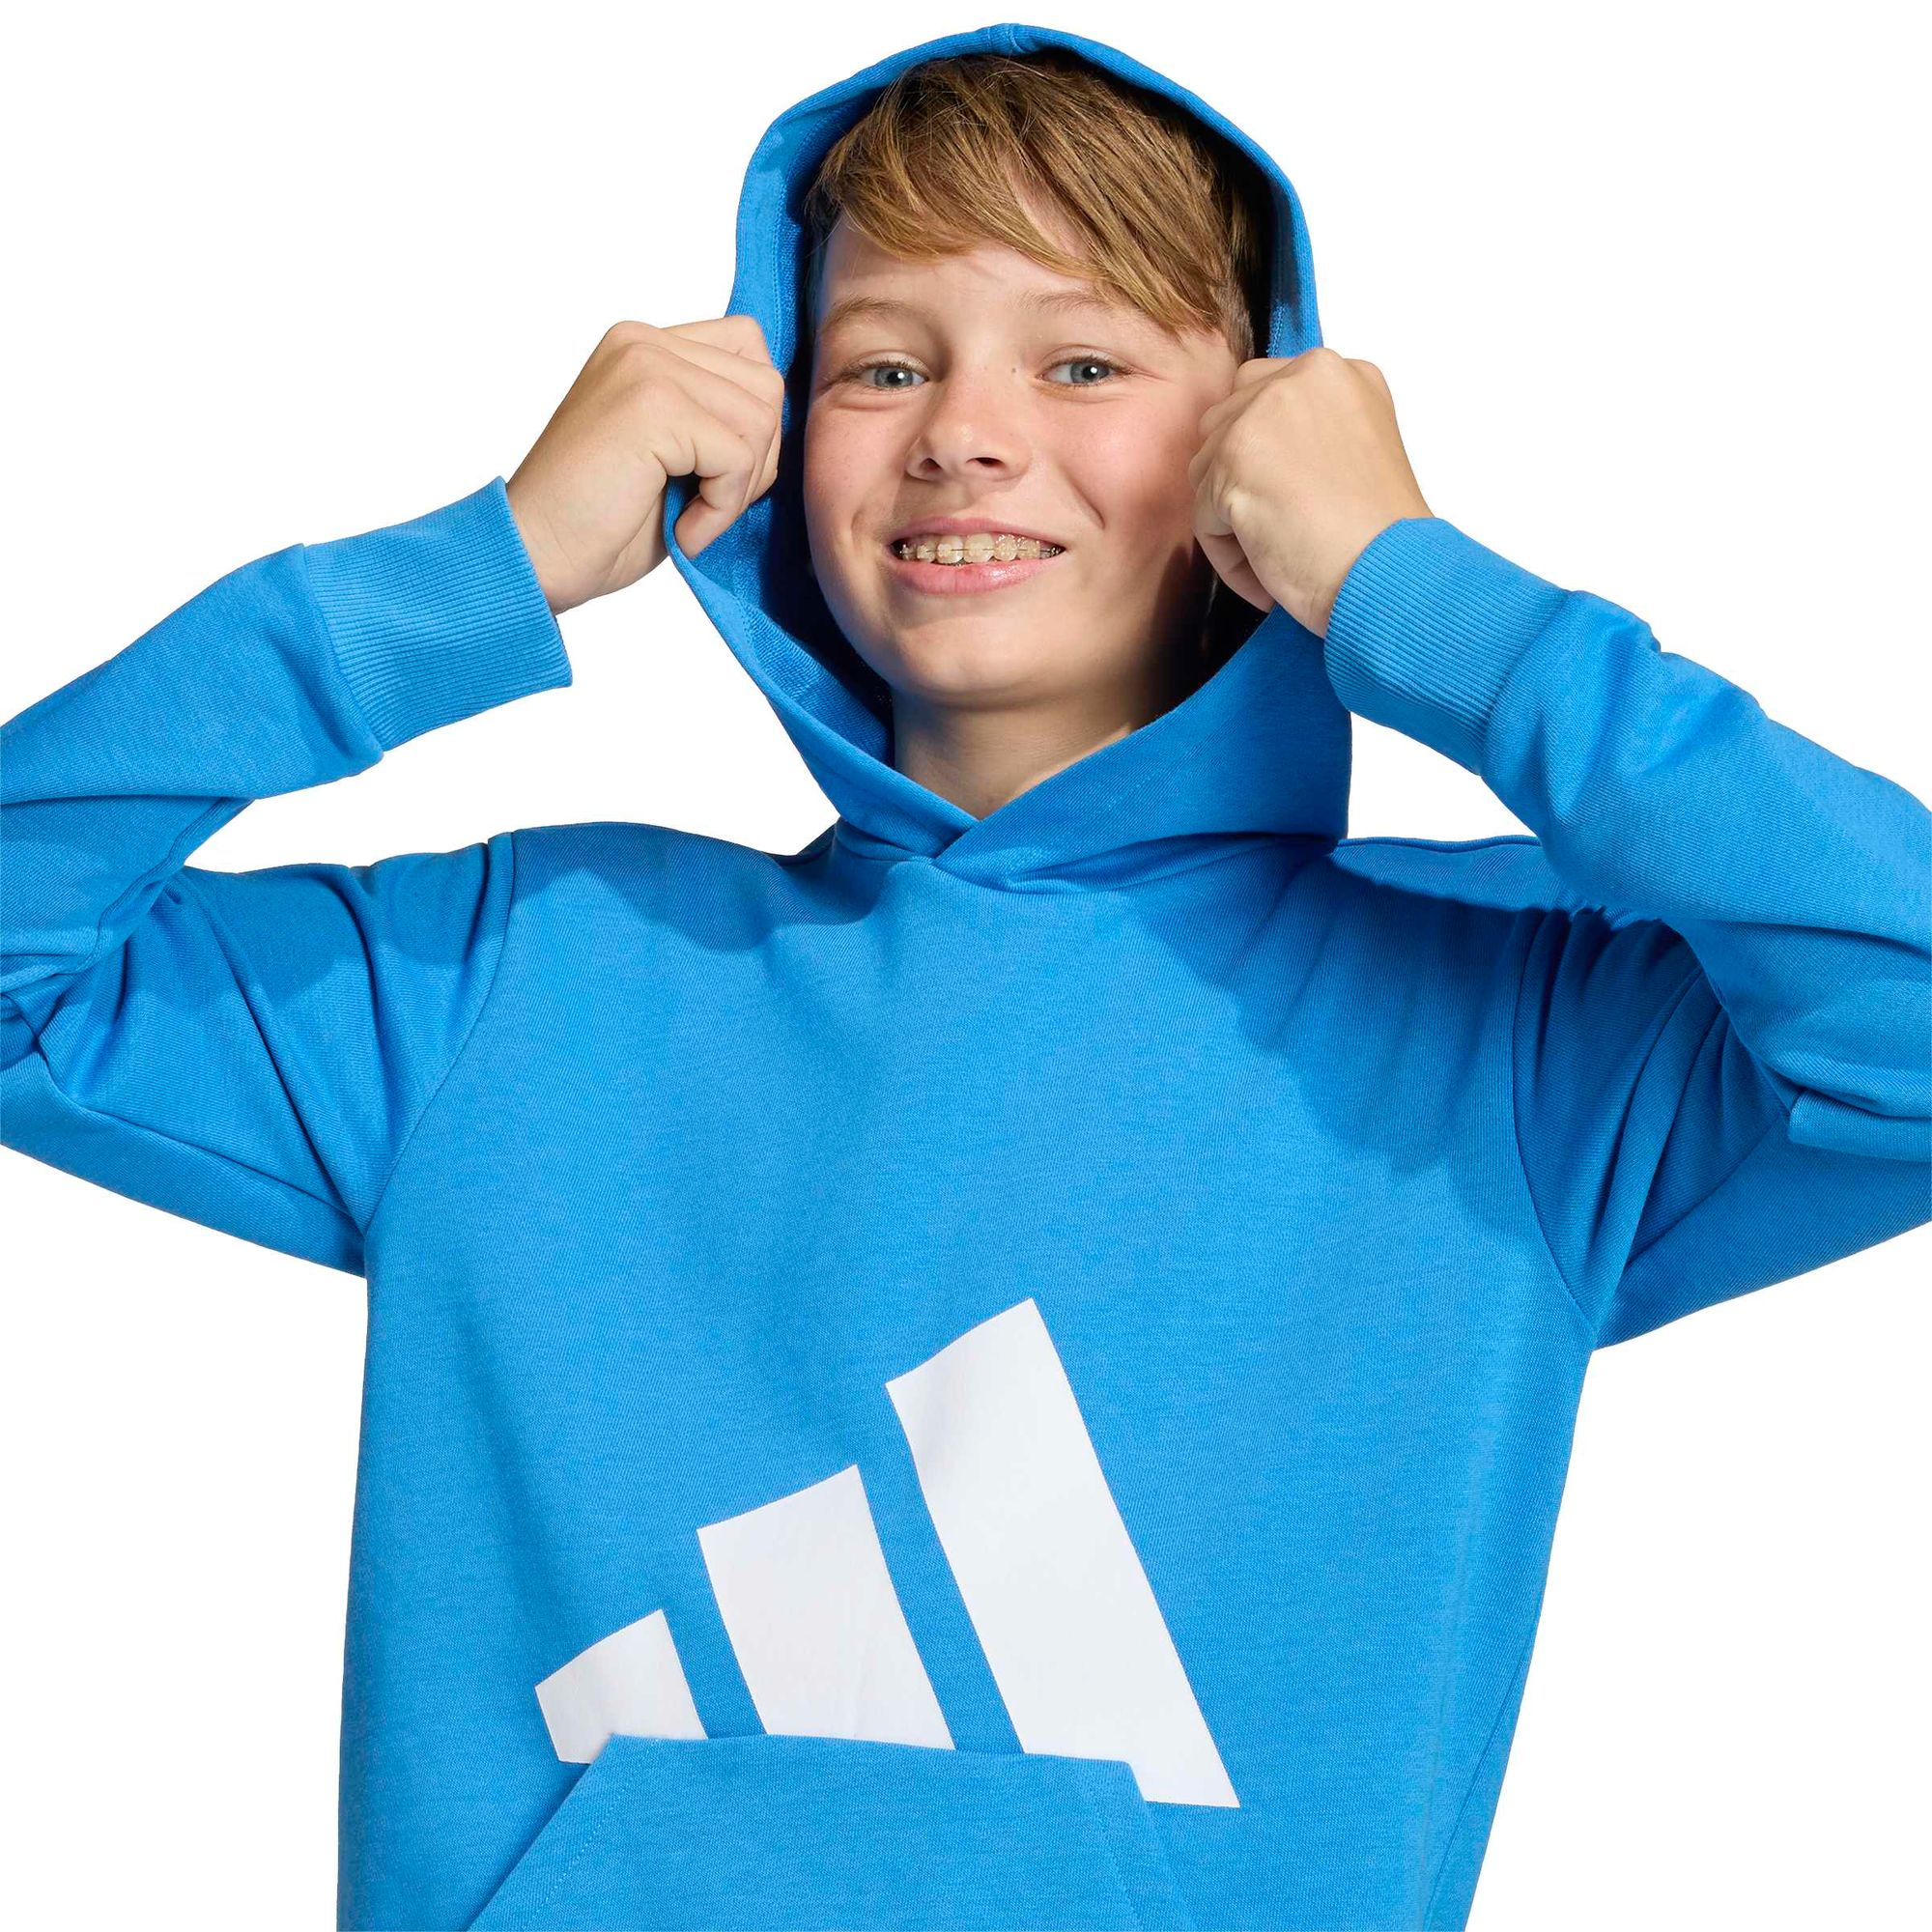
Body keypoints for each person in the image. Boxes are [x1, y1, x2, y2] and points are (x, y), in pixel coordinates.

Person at [3, 19, 1926, 1932]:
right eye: (881, 363)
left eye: (1082, 360)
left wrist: (1427, 599)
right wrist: (477, 571)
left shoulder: (1527, 1046)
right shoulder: (511, 977)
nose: (962, 433)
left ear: (1264, 441)